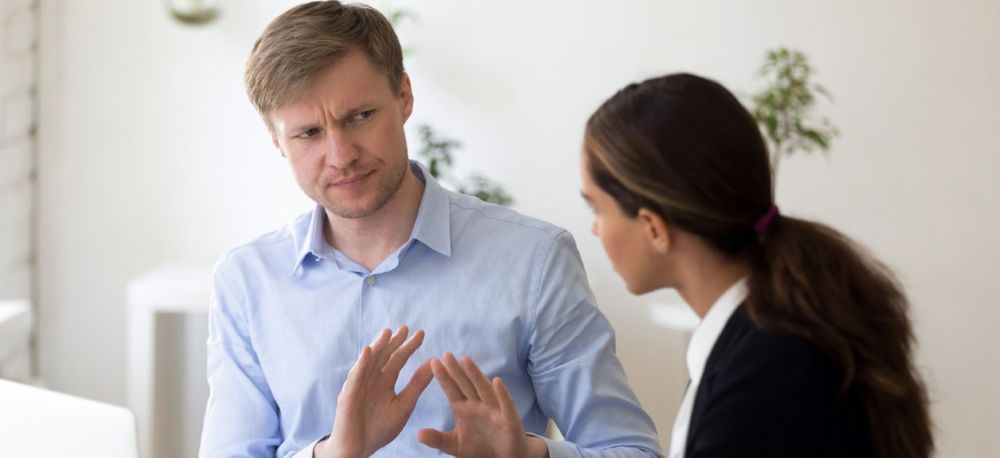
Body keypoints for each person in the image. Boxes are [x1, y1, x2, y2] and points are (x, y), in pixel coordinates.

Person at [198, 2, 663, 457]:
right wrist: (332, 454)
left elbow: (632, 450)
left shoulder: (533, 261)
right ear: (277, 141)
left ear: (404, 96)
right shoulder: (246, 281)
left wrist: (528, 456)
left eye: (359, 116)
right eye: (308, 134)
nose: (341, 156)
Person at [430, 73, 934, 458]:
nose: (595, 230)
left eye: (597, 208)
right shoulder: (769, 336)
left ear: (652, 226)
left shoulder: (768, 375)